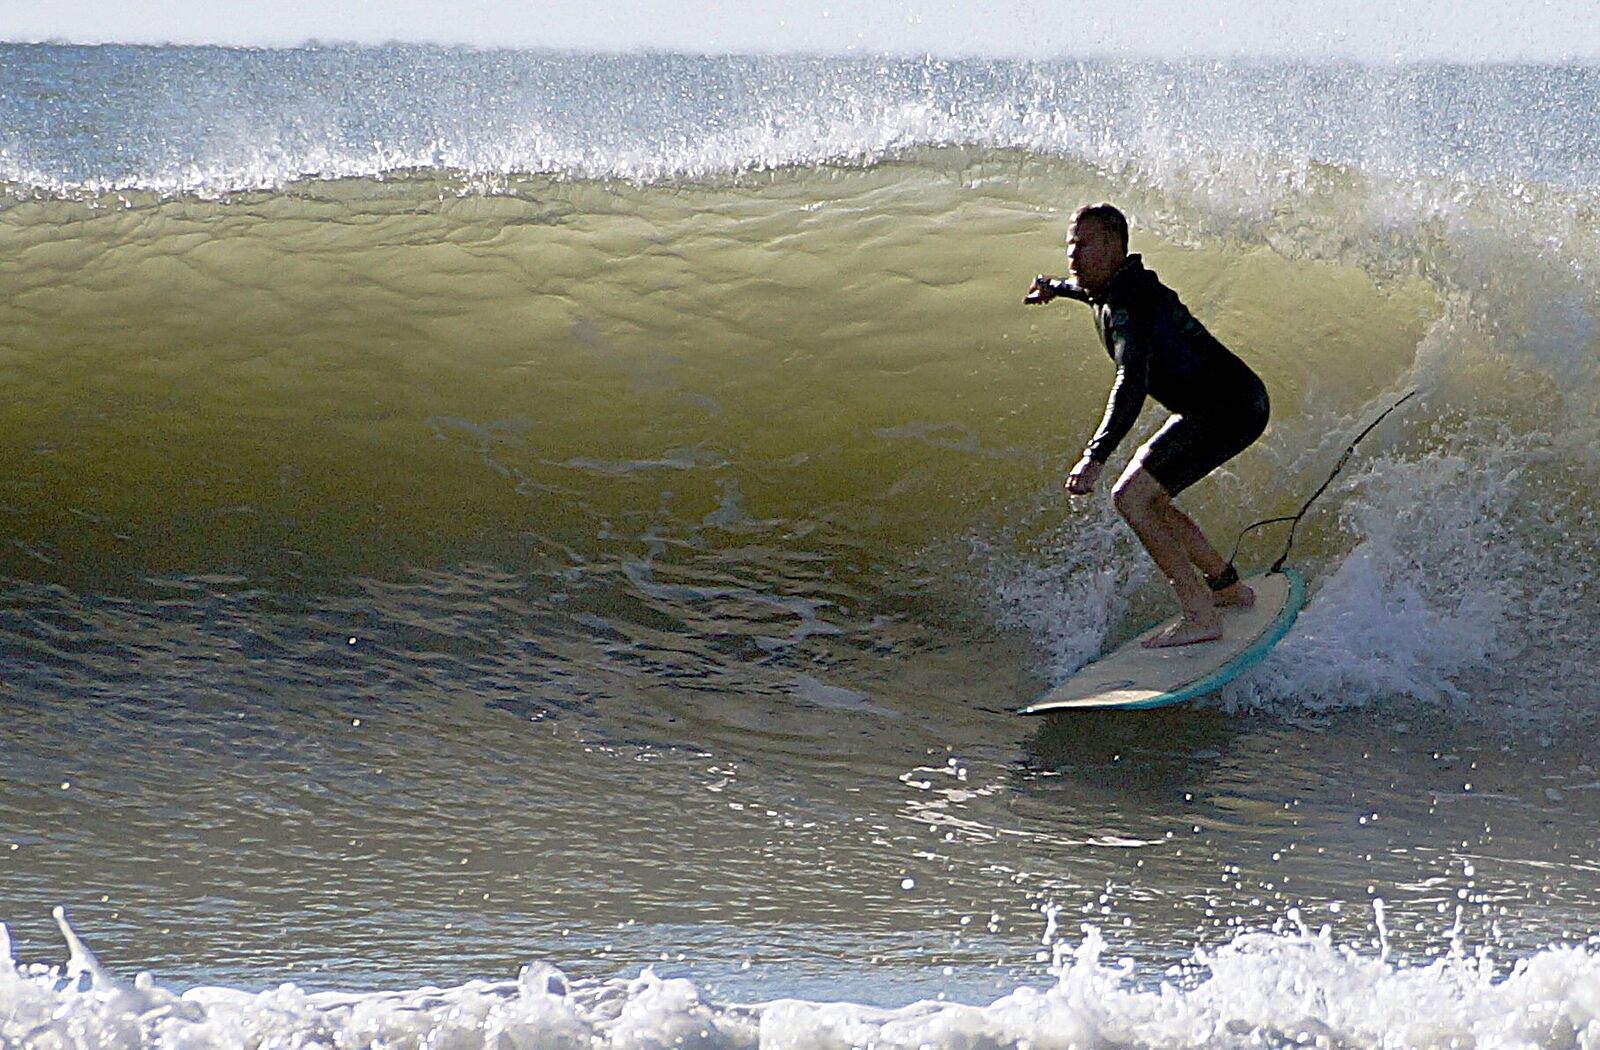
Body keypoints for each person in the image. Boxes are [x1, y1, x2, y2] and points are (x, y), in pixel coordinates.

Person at [1024, 203, 1269, 648]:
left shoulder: (1133, 303)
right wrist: (1053, 288)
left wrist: (1095, 455)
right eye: (1070, 246)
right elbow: (1085, 290)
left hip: (1230, 408)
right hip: (1214, 406)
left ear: (1115, 246)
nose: (1073, 256)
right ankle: (1227, 588)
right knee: (1148, 498)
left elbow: (1131, 382)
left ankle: (1199, 613)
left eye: (1084, 245)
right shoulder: (1111, 287)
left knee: (1130, 497)